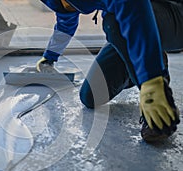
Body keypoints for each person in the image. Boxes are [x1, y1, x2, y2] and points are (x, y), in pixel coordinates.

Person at [37, 0, 182, 142]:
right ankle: (147, 59)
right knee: (91, 95)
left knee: (114, 22)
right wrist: (49, 57)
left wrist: (151, 79)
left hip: (174, 11)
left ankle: (157, 96)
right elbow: (66, 17)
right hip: (133, 19)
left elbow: (132, 4)